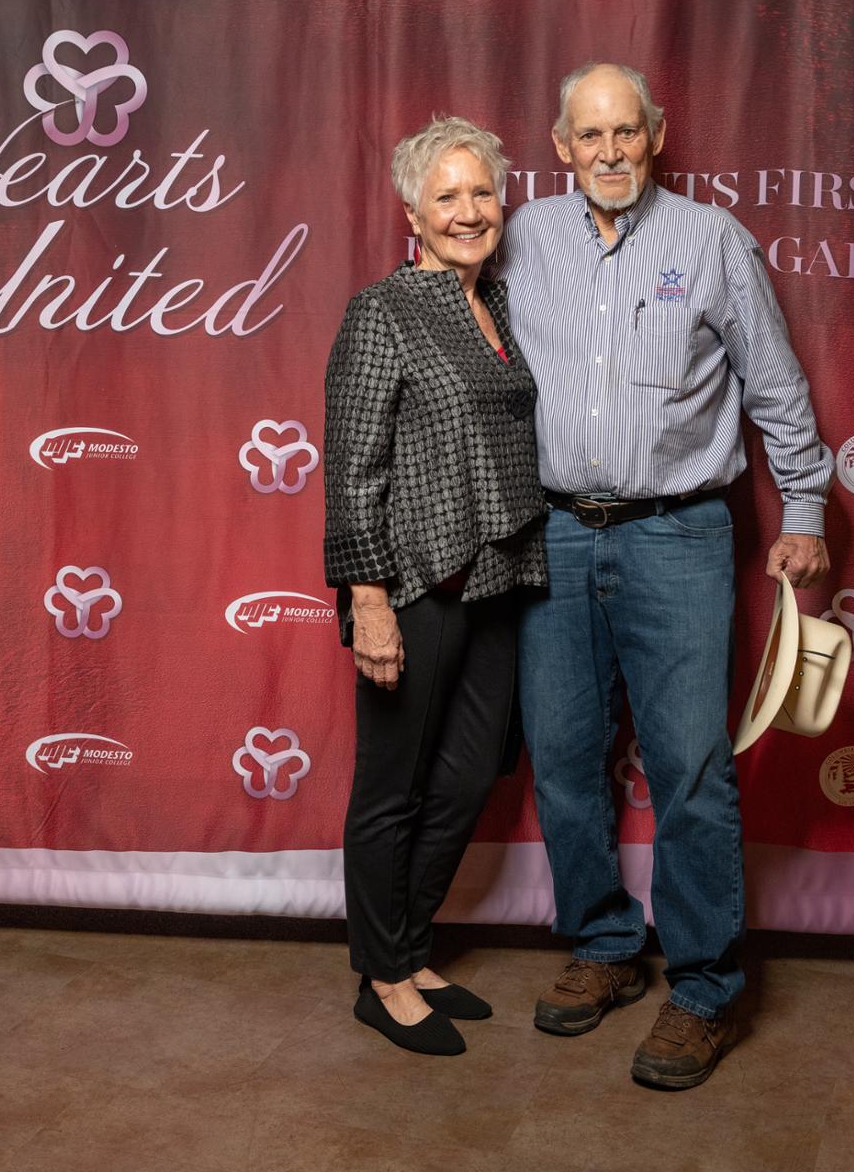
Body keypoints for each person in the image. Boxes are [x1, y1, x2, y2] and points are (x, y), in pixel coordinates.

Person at [500, 62, 833, 1090]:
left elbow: (774, 386)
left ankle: (702, 986)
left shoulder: (712, 240)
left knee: (690, 767)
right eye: (587, 136)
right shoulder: (519, 241)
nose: (607, 152)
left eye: (625, 133)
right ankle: (603, 947)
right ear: (560, 148)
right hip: (552, 534)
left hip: (678, 534)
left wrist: (809, 507)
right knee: (561, 755)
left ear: (655, 136)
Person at [324, 115, 547, 1056]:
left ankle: (411, 948)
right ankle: (380, 976)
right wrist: (367, 600)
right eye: (446, 195)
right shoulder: (382, 310)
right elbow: (352, 464)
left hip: (497, 574)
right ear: (410, 209)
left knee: (463, 782)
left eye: (482, 193)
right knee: (394, 786)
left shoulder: (494, 302)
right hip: (414, 580)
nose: (468, 210)